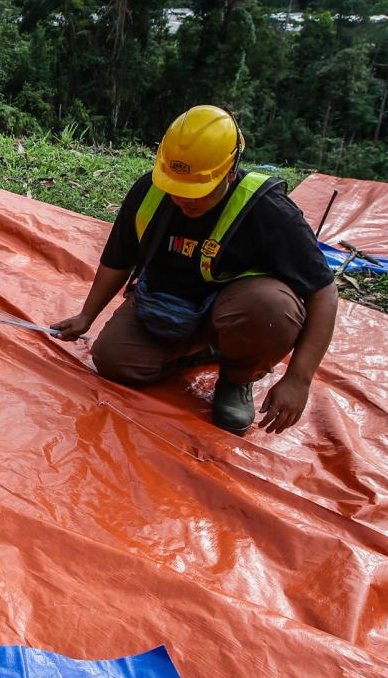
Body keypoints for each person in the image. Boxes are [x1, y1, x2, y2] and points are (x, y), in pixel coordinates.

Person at [50, 105, 338, 436]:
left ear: (229, 174)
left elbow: (324, 292)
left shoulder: (267, 210)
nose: (181, 199)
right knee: (114, 359)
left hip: (241, 310)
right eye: (175, 187)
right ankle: (206, 349)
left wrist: (299, 378)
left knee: (271, 308)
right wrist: (87, 315)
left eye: (195, 193)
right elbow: (119, 257)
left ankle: (237, 376)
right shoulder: (150, 192)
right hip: (172, 306)